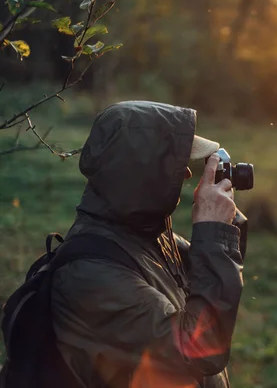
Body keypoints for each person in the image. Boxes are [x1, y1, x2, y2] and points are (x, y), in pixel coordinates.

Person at [50, 101, 243, 388]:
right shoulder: (91, 276)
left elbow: (216, 285)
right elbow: (200, 350)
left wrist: (222, 226)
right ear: (141, 173)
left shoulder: (150, 238)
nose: (188, 174)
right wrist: (212, 230)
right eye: (176, 163)